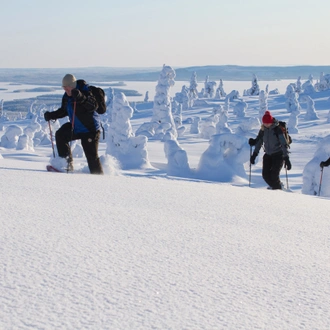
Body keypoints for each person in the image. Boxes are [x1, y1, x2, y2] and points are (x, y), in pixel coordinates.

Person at [44, 74, 103, 174]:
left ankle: (99, 179)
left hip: (90, 131)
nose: (66, 91)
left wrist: (81, 98)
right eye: (64, 89)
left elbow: (94, 106)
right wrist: (51, 115)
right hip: (76, 128)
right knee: (61, 134)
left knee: (92, 158)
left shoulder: (86, 91)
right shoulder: (67, 97)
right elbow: (64, 110)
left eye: (67, 88)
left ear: (73, 86)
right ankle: (66, 165)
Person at [249, 110, 291, 190]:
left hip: (278, 155)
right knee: (265, 175)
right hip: (268, 155)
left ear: (271, 122)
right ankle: (277, 188)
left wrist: (286, 158)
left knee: (274, 175)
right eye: (265, 123)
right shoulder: (263, 130)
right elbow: (259, 143)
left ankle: (278, 189)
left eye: (268, 123)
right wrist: (254, 155)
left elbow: (284, 144)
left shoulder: (277, 129)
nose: (266, 124)